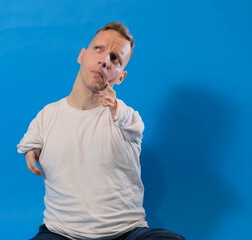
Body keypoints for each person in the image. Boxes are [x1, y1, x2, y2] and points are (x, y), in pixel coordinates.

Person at [17, 22, 185, 240]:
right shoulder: (47, 115)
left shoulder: (127, 118)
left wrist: (115, 107)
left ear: (121, 77)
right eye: (99, 49)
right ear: (82, 55)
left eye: (115, 58)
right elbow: (30, 141)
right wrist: (31, 149)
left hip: (126, 233)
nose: (105, 60)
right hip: (61, 234)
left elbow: (127, 122)